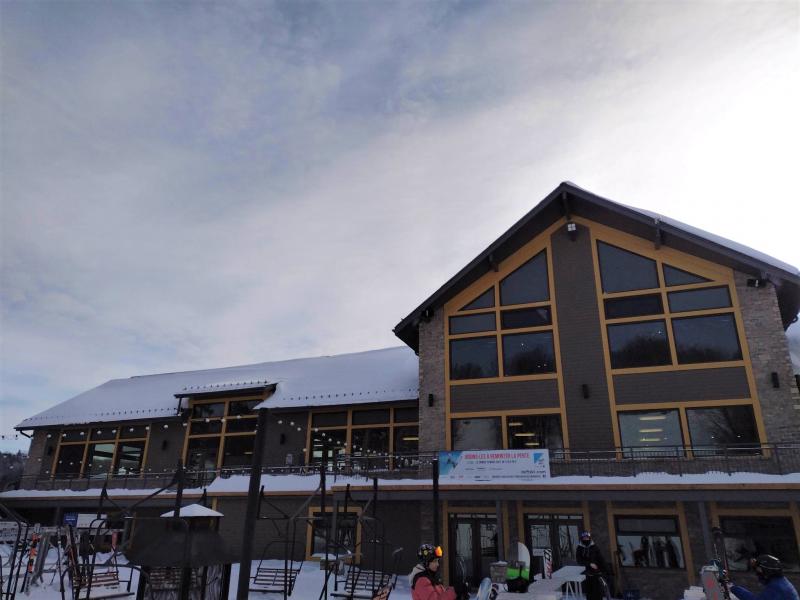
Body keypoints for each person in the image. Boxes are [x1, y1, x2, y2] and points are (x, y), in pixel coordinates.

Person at [728, 555, 799, 600]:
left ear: (767, 571)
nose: (757, 573)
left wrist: (733, 588)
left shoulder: (776, 587)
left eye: (759, 570)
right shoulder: (780, 582)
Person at [576, 531, 609, 600]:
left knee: (598, 592)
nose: (586, 539)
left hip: (596, 573)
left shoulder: (594, 547)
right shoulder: (579, 548)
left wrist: (605, 570)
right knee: (589, 593)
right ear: (582, 538)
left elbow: (601, 558)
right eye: (584, 538)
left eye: (587, 538)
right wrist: (590, 564)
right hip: (586, 574)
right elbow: (579, 561)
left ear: (589, 538)